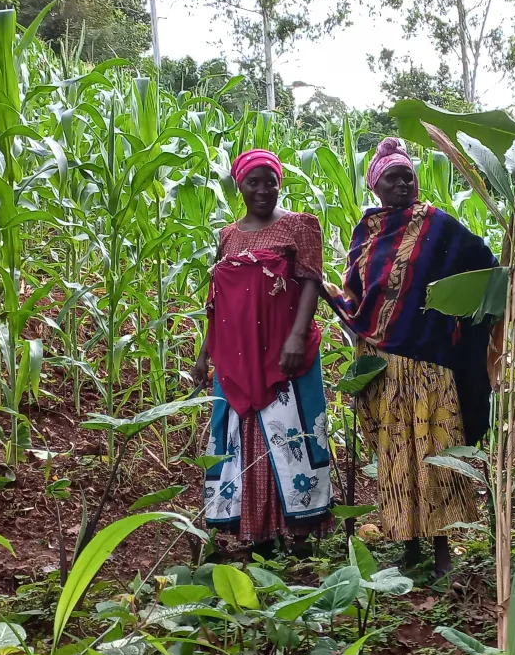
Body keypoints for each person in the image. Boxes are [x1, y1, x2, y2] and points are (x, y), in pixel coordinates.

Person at [324, 137, 497, 577]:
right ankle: (409, 545)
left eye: (407, 176)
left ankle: (442, 548)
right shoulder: (367, 232)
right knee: (396, 452)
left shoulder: (438, 225)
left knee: (433, 449)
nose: (402, 184)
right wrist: (330, 295)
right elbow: (358, 293)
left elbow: (484, 261)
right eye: (392, 178)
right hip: (381, 361)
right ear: (376, 186)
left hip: (429, 358)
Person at [192, 149, 332, 553]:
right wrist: (204, 354)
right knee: (243, 436)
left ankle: (299, 534)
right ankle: (257, 533)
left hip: (283, 352)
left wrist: (296, 337)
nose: (263, 190)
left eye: (270, 181)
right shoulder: (228, 236)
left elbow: (311, 281)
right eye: (253, 182)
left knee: (288, 430)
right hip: (236, 355)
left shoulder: (300, 225)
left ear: (279, 184)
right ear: (240, 186)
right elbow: (218, 301)